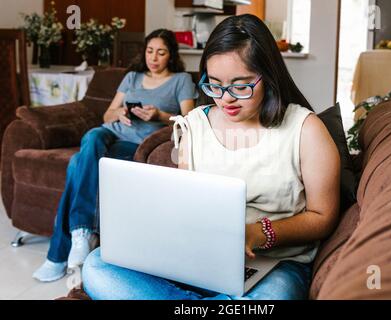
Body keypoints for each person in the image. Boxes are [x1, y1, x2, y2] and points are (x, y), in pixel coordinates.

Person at [81, 14, 340, 300]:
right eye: (214, 84)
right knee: (97, 265)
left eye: (240, 86)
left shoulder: (305, 128)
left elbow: (323, 216)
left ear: (268, 76)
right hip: (201, 258)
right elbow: (185, 202)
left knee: (274, 296)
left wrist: (259, 233)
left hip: (273, 264)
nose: (225, 98)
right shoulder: (195, 125)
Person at [32, 29, 196, 282]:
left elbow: (188, 120)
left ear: (171, 55)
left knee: (77, 163)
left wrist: (159, 116)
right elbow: (106, 116)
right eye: (150, 51)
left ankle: (60, 253)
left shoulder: (181, 79)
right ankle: (83, 234)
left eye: (161, 52)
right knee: (92, 136)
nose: (154, 57)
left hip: (137, 144)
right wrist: (118, 113)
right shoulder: (131, 77)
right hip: (110, 134)